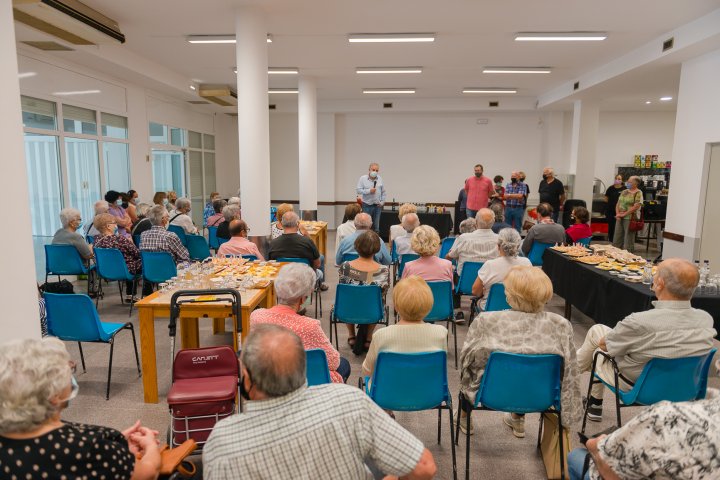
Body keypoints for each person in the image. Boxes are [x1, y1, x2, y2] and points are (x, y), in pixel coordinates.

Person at [202, 324, 437, 480]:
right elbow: (425, 468)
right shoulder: (348, 401)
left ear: (248, 380)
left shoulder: (222, 443)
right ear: (304, 368)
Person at [576, 258, 716, 422]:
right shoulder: (705, 319)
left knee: (597, 339)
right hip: (687, 386)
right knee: (601, 335)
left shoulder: (639, 322)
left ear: (660, 283)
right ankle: (591, 400)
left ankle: (567, 377)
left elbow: (604, 346)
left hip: (640, 386)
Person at [0, 338, 161, 479]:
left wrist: (115, 446)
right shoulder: (89, 449)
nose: (71, 377)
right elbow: (148, 473)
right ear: (54, 394)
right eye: (69, 370)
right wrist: (150, 446)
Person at [458, 266, 583, 437]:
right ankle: (517, 418)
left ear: (510, 295)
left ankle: (464, 416)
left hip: (492, 392)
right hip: (540, 394)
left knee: (475, 369)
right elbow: (570, 369)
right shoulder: (560, 325)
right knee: (531, 364)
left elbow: (468, 360)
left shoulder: (487, 321)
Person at [567, 397, 720, 480]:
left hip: (638, 384)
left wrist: (595, 443)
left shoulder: (667, 416)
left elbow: (610, 472)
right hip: (684, 385)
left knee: (575, 456)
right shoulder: (705, 339)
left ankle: (590, 398)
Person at [250, 263, 349, 383]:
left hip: (269, 378)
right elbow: (334, 362)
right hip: (301, 380)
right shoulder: (310, 326)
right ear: (303, 299)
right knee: (344, 364)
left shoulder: (257, 316)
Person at [363, 275, 447, 377]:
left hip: (388, 391)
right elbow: (439, 370)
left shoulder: (381, 335)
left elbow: (367, 370)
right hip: (427, 390)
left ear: (396, 306)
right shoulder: (441, 333)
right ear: (429, 305)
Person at [338, 230, 391, 353]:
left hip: (347, 309)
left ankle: (351, 335)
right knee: (378, 300)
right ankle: (368, 338)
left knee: (348, 298)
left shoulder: (345, 266)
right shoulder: (383, 270)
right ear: (377, 249)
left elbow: (343, 286)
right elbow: (383, 293)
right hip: (372, 310)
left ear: (356, 246)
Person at [471, 228, 531, 310]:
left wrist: (485, 291)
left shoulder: (490, 265)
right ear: (517, 246)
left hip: (492, 310)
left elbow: (475, 291)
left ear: (498, 246)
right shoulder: (527, 263)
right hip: (519, 309)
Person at [93, 213, 143, 300]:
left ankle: (130, 295)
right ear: (108, 226)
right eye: (114, 223)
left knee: (128, 260)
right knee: (144, 261)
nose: (116, 225)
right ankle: (146, 294)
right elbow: (137, 253)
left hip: (105, 270)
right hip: (125, 270)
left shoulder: (97, 240)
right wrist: (130, 242)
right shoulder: (120, 239)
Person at [268, 212, 323, 281]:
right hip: (305, 278)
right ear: (297, 224)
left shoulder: (273, 243)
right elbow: (317, 264)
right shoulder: (307, 242)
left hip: (282, 278)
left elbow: (271, 264)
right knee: (320, 273)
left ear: (282, 224)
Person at [446, 207, 498, 276]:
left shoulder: (463, 238)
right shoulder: (500, 240)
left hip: (464, 282)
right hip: (490, 282)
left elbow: (448, 258)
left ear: (476, 222)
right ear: (493, 222)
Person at [612, 175, 643, 253]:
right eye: (627, 181)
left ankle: (627, 256)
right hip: (620, 217)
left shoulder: (638, 192)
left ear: (635, 184)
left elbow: (636, 206)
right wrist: (618, 214)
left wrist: (624, 214)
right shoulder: (624, 191)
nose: (627, 183)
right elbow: (618, 203)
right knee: (617, 238)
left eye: (629, 182)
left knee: (628, 239)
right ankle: (615, 255)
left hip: (630, 218)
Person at [356, 162, 386, 232]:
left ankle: (376, 241)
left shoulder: (380, 179)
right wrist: (369, 191)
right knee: (365, 226)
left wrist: (382, 202)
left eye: (377, 170)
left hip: (377, 206)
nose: (375, 172)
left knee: (376, 227)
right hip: (366, 205)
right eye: (373, 170)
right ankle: (366, 241)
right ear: (369, 170)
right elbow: (358, 190)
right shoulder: (362, 178)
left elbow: (383, 192)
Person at [604, 174, 626, 243]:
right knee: (611, 226)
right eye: (616, 178)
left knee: (619, 227)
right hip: (610, 211)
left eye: (619, 179)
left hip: (621, 211)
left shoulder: (624, 189)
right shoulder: (610, 188)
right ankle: (611, 241)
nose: (617, 180)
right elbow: (606, 199)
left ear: (622, 180)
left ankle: (619, 241)